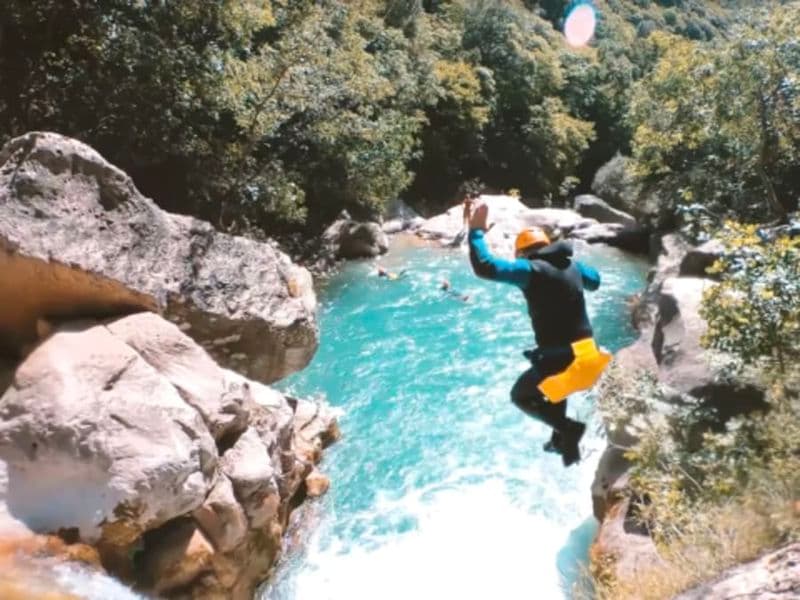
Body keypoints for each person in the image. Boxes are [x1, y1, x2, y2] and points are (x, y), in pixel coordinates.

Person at [466, 202, 608, 467]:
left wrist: (475, 231)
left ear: (522, 253)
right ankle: (566, 447)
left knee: (521, 396)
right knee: (553, 392)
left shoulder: (531, 270)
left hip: (565, 361)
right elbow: (596, 281)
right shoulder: (573, 267)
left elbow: (485, 266)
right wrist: (573, 266)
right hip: (589, 357)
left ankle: (568, 430)